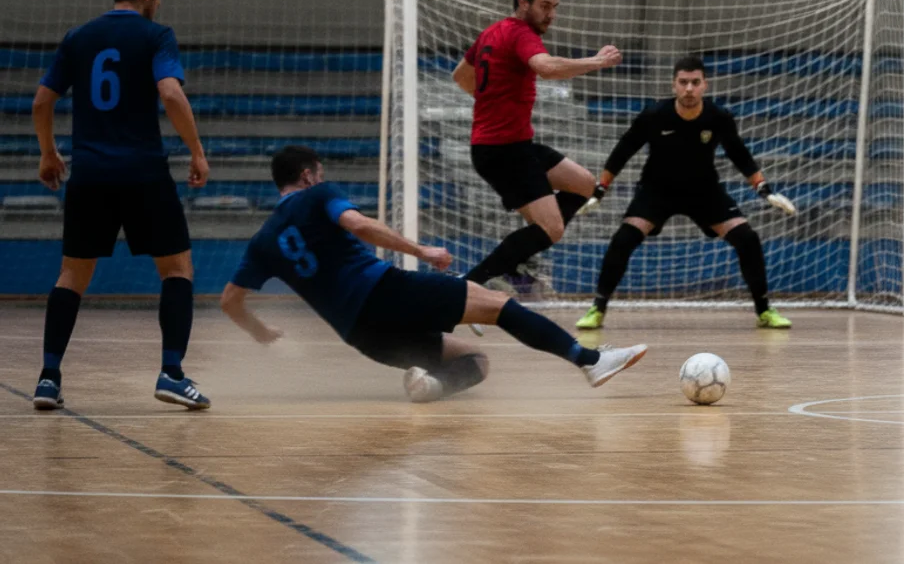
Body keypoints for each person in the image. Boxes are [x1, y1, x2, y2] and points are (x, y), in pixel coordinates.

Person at [219, 146, 647, 402]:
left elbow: (230, 301)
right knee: (498, 304)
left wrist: (259, 331)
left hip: (362, 336)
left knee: (474, 361)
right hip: (385, 291)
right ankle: (591, 360)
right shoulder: (319, 196)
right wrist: (420, 250)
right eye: (320, 175)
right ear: (309, 175)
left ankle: (430, 388)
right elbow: (359, 225)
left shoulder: (264, 240)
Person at [31, 0, 210, 411]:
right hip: (144, 171)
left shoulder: (79, 37)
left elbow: (41, 101)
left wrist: (49, 153)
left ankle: (48, 378)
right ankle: (171, 373)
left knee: (72, 274)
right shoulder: (156, 35)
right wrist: (196, 151)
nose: (160, 3)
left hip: (90, 175)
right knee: (176, 270)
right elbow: (170, 92)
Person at [574, 56, 797, 329]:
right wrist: (600, 190)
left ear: (705, 85)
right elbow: (623, 150)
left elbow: (740, 154)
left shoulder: (718, 117)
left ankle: (764, 311)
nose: (689, 88)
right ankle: (597, 309)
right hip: (657, 190)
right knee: (623, 239)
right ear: (674, 85)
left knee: (747, 238)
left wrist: (764, 190)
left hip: (704, 191)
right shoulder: (654, 115)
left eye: (695, 82)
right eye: (683, 82)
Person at [450, 0, 621, 289]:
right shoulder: (519, 34)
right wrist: (596, 61)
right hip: (502, 152)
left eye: (555, 6)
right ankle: (469, 284)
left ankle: (526, 247)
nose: (551, 14)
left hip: (515, 145)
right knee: (552, 230)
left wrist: (493, 99)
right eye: (545, 6)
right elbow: (546, 67)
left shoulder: (492, 31)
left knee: (587, 186)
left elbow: (461, 75)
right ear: (523, 3)